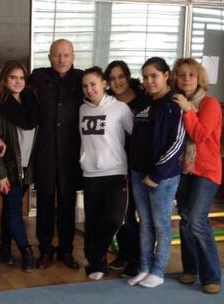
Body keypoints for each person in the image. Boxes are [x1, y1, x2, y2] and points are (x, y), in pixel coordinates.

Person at [127, 57, 185, 288]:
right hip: (139, 173)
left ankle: (159, 271)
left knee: (161, 224)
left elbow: (177, 143)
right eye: (146, 77)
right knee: (146, 223)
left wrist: (158, 174)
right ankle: (145, 267)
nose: (150, 81)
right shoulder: (143, 103)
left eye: (154, 76)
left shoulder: (175, 103)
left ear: (166, 75)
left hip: (163, 176)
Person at [30, 39, 82, 270]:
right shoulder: (38, 76)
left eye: (66, 55)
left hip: (72, 154)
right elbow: (15, 90)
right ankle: (45, 250)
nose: (62, 59)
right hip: (46, 153)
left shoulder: (82, 78)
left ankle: (66, 250)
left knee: (68, 206)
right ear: (50, 57)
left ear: (73, 57)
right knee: (44, 204)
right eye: (57, 55)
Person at [172, 58, 222, 294]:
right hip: (184, 169)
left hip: (207, 170)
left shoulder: (209, 104)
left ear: (199, 77)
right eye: (181, 75)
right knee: (185, 218)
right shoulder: (178, 102)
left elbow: (200, 136)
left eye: (191, 75)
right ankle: (190, 270)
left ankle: (211, 276)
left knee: (196, 218)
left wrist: (188, 111)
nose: (186, 79)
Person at [79, 66, 134, 280]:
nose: (90, 89)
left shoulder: (120, 108)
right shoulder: (82, 109)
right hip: (90, 174)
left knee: (114, 218)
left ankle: (93, 254)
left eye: (93, 84)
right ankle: (96, 264)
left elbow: (136, 136)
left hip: (116, 172)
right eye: (85, 86)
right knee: (92, 221)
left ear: (104, 84)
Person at [0, 60, 39, 272]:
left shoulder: (32, 103)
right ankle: (26, 250)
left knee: (10, 209)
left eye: (21, 78)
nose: (17, 82)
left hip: (27, 168)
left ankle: (4, 249)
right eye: (12, 77)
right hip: (9, 169)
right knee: (15, 209)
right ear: (4, 80)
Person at [103, 60, 146, 276]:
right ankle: (124, 254)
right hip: (114, 165)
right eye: (112, 78)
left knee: (131, 216)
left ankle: (136, 258)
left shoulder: (143, 100)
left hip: (138, 165)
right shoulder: (107, 101)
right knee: (119, 214)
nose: (117, 81)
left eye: (121, 77)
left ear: (128, 77)